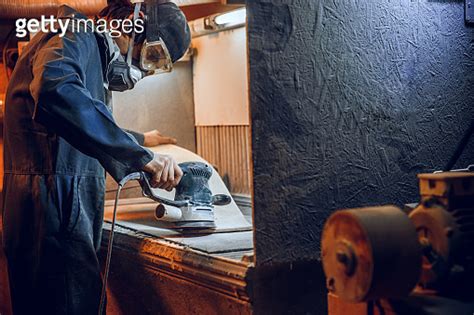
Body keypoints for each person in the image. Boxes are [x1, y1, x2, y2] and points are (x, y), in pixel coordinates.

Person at [1, 0, 190, 313]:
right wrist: (139, 156)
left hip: (54, 206)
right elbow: (55, 91)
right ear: (128, 24)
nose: (143, 70)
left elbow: (74, 124)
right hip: (55, 209)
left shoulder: (80, 46)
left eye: (155, 65)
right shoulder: (74, 34)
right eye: (151, 56)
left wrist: (142, 141)